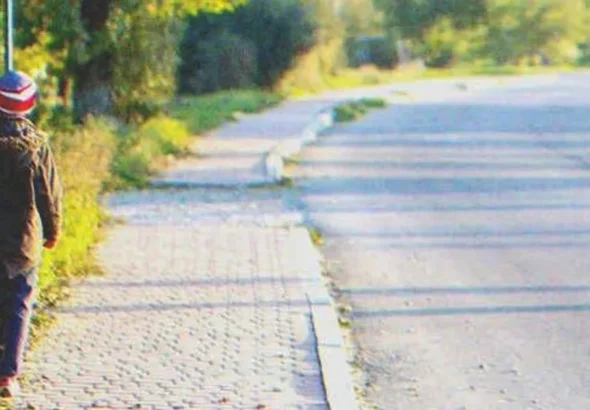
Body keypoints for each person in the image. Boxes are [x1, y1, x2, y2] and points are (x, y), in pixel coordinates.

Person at [0, 70, 62, 398]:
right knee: (19, 304)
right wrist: (52, 231)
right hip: (22, 242)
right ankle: (8, 376)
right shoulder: (36, 145)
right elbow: (48, 195)